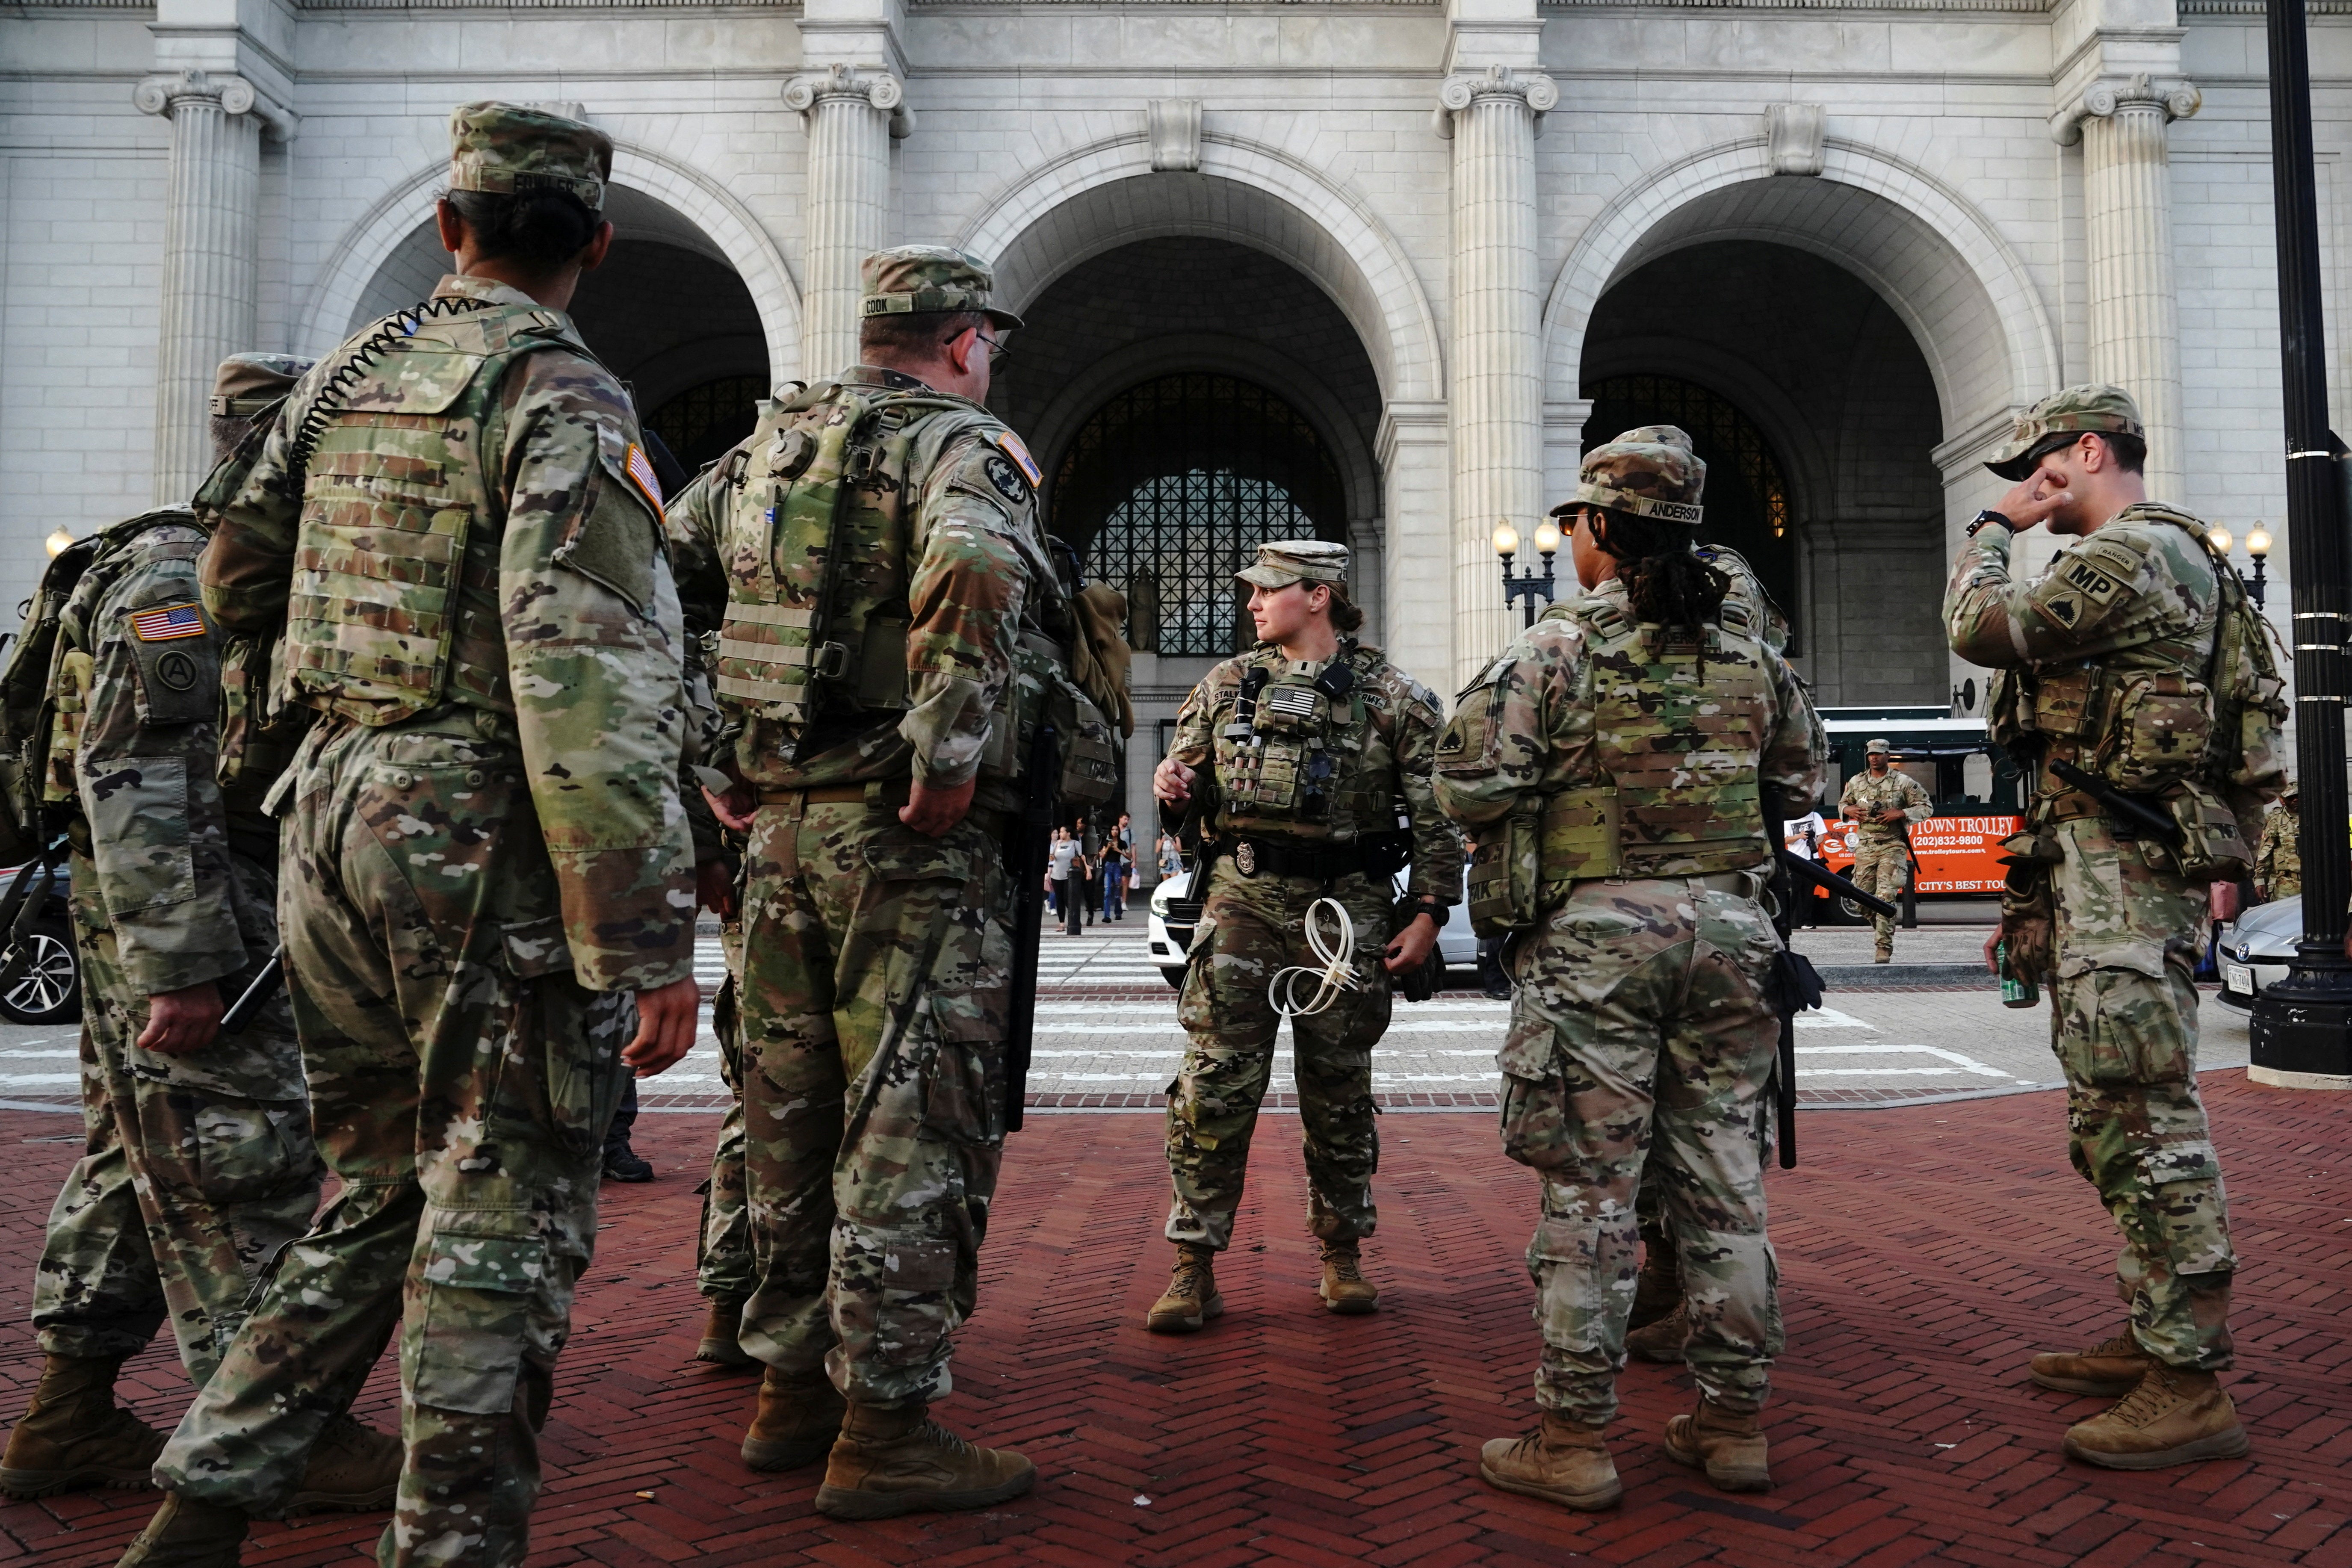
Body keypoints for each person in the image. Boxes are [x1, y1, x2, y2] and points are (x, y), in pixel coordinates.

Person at [130, 102, 703, 1567]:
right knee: (499, 1213)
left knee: (388, 1186)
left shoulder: (345, 377)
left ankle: (206, 1491)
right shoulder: (564, 391)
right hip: (473, 834)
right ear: (595, 242)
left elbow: (231, 573)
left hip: (332, 809)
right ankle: (447, 1545)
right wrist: (643, 937)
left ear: (452, 228)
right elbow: (584, 676)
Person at [669, 245, 1087, 1518]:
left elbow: (643, 579)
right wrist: (948, 751)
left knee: (787, 1118)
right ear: (967, 339)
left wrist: (706, 755)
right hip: (907, 842)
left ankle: (791, 1388)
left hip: (778, 831)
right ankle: (889, 1424)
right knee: (912, 1123)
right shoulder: (963, 444)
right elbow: (975, 568)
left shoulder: (762, 452)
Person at [0, 354, 400, 1514]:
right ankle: (282, 1430)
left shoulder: (229, 572)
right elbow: (135, 778)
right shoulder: (180, 582)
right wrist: (182, 968)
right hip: (186, 923)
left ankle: (67, 1415)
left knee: (141, 1165)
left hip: (195, 906)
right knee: (245, 1165)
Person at [1433, 427, 1824, 1509]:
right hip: (1734, 937)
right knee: (1724, 1185)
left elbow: (1465, 784)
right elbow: (1797, 785)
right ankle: (1733, 1420)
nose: (1566, 545)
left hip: (1598, 941)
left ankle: (1572, 1433)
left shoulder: (1554, 648)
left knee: (1591, 1192)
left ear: (1602, 526)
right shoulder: (1751, 653)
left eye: (1574, 526)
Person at [1948, 383, 2278, 1470]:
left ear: (2085, 450)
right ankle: (2155, 1328)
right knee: (2108, 1113)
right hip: (2101, 867)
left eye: (2037, 470)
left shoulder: (2132, 554)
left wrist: (1993, 534)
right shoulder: (2181, 561)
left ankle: (2186, 1376)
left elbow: (1981, 627)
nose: (2026, 494)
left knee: (2143, 1117)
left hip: (2125, 874)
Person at [1146, 539, 1460, 1331]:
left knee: (1339, 1087)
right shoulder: (1222, 687)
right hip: (1241, 903)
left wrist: (1427, 913)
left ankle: (1342, 1252)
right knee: (1212, 1087)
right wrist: (1173, 790)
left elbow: (1437, 817)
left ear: (1318, 595)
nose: (1253, 603)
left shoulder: (1395, 697)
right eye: (1251, 592)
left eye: (1269, 590)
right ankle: (1193, 1266)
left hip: (1344, 907)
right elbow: (1183, 796)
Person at [1838, 738, 1931, 963]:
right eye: (1871, 754)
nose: (1874, 758)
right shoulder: (1857, 782)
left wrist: (1901, 814)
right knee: (1860, 901)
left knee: (1886, 897)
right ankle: (1884, 924)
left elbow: (1926, 807)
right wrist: (1848, 809)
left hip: (1893, 845)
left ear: (1888, 756)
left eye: (1879, 754)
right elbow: (1843, 804)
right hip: (1865, 848)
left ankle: (1883, 947)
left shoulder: (1903, 782)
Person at [2254, 784, 2300, 903]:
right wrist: (2260, 881)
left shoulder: (2316, 816)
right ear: (2282, 799)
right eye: (2291, 798)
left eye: (2298, 796)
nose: (2295, 800)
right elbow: (2265, 853)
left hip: (2316, 883)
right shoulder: (2276, 820)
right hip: (2287, 884)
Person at [1100, 836, 1128, 921]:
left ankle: (1118, 913)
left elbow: (1129, 856)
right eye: (1113, 830)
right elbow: (1102, 855)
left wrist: (1119, 850)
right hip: (1108, 866)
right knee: (1107, 891)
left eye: (1116, 830)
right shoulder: (1106, 843)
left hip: (1117, 866)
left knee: (1117, 890)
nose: (1114, 832)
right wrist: (1108, 847)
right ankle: (1107, 915)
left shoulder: (1122, 843)